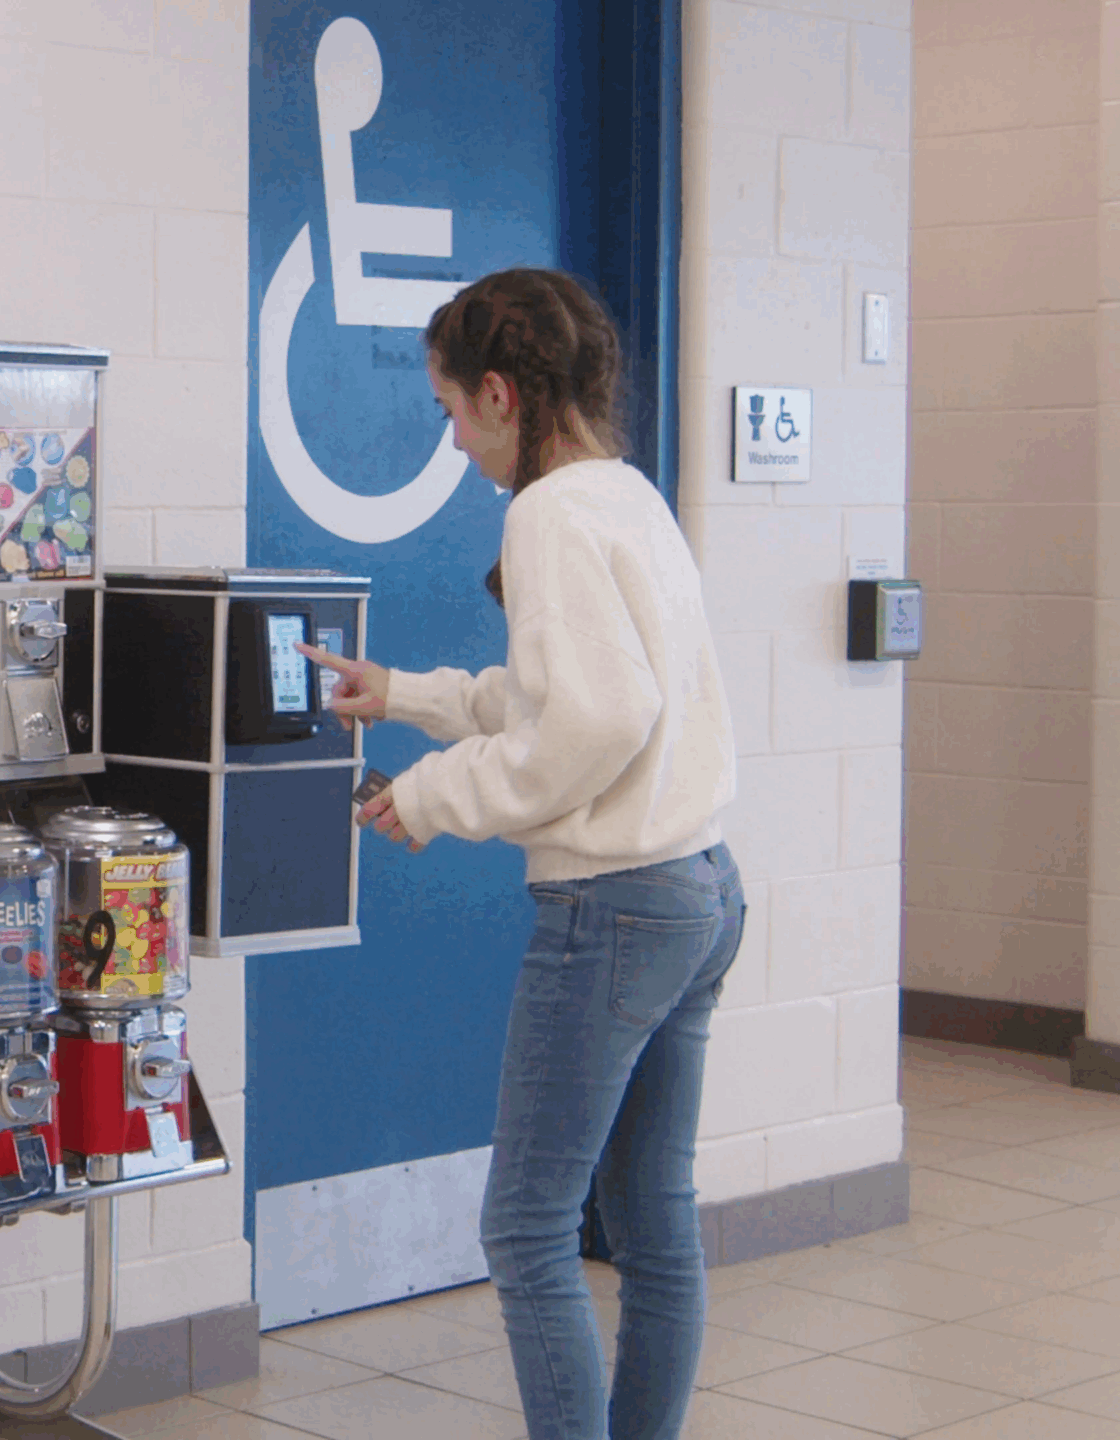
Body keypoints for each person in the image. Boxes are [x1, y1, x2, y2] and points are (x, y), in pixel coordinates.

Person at [299, 268, 742, 1440]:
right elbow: (566, 697)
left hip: (616, 908)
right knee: (652, 1224)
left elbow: (593, 724)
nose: (453, 443)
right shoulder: (623, 493)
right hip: (698, 888)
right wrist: (403, 695)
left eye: (450, 413)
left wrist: (436, 798)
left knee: (526, 1227)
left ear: (499, 393)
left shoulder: (542, 512)